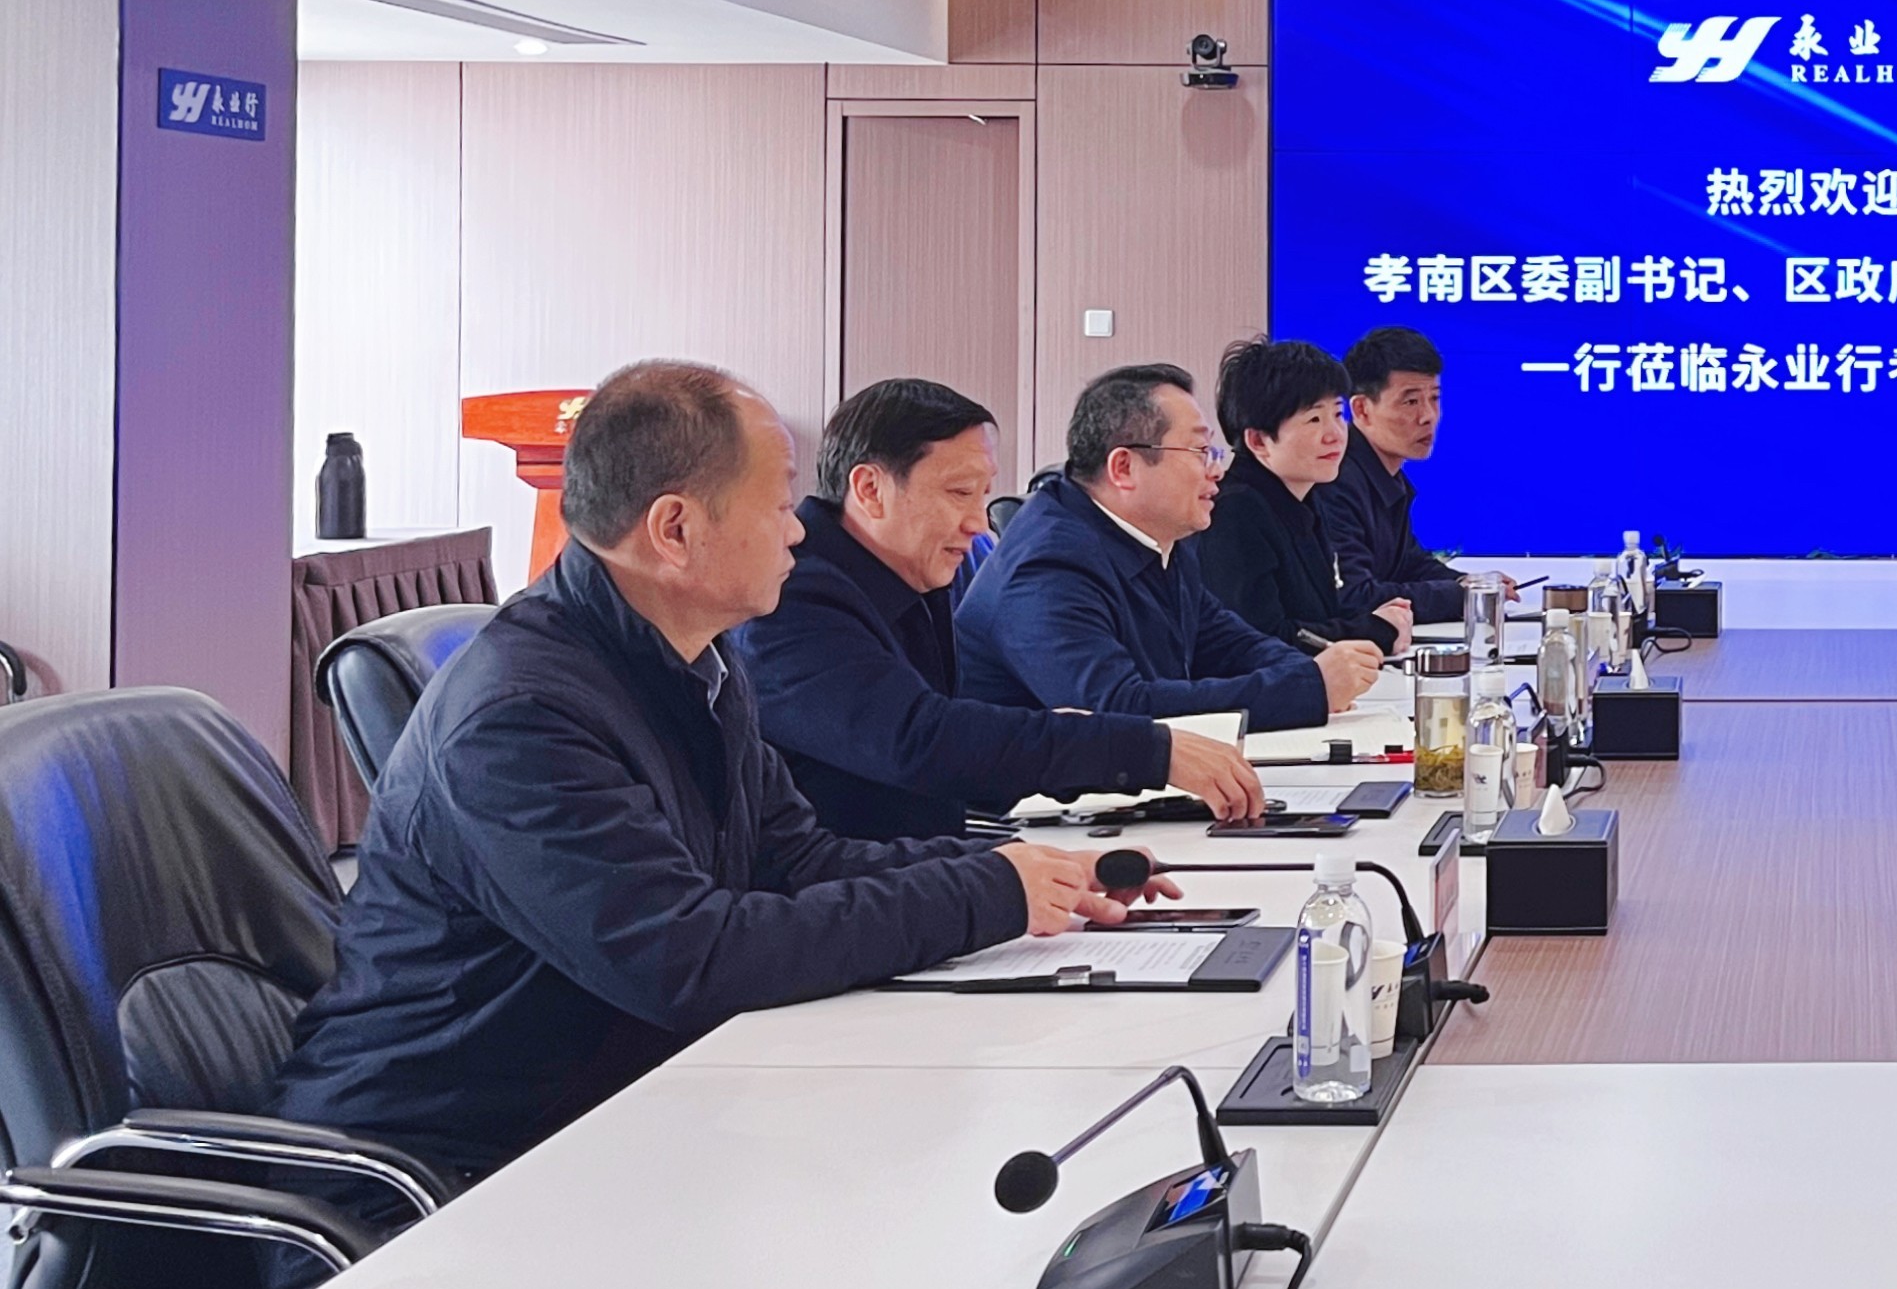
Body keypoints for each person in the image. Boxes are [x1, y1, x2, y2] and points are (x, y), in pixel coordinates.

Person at [272, 360, 1149, 1185]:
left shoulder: (692, 658)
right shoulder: (520, 716)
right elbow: (688, 961)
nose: (799, 529)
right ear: (676, 530)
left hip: (621, 1115)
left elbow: (797, 859)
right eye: (778, 505)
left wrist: (1028, 875)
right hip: (450, 1171)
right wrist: (987, 893)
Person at [737, 377, 1265, 841]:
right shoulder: (793, 597)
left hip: (923, 860)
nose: (978, 522)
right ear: (871, 489)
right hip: (847, 888)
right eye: (959, 492)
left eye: (983, 494)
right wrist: (1145, 750)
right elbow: (921, 740)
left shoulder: (910, 572)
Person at [958, 365, 1370, 728]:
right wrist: (1307, 689)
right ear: (1124, 467)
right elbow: (1117, 708)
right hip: (1040, 790)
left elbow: (1225, 642)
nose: (1216, 470)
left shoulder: (1162, 536)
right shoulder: (1048, 568)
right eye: (1199, 451)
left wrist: (1309, 673)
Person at [1186, 338, 1418, 658]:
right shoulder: (1236, 513)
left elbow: (1319, 613)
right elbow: (1261, 640)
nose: (1335, 434)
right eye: (1314, 419)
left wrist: (1379, 617)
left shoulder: (1305, 496)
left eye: (1338, 414)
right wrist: (1374, 630)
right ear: (1259, 440)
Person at [1318, 324, 1468, 624]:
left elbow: (1408, 564)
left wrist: (1469, 584)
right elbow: (1355, 596)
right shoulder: (1335, 480)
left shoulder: (1386, 475)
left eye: (1434, 398)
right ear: (1361, 409)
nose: (1428, 416)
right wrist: (1459, 596)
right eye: (1410, 401)